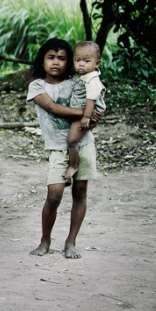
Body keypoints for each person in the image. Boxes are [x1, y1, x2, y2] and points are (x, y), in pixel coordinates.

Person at [27, 38, 100, 260]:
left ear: (69, 62)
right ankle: (45, 240)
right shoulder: (37, 86)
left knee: (79, 193)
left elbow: (93, 102)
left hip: (82, 144)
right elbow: (52, 107)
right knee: (54, 195)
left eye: (61, 58)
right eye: (51, 58)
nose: (56, 62)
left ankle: (71, 242)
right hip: (58, 149)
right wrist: (84, 114)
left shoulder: (77, 83)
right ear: (42, 61)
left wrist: (92, 115)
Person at [64, 41, 107, 180]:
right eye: (77, 60)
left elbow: (91, 100)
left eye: (86, 61)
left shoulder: (92, 80)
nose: (81, 64)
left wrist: (86, 117)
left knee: (71, 141)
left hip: (88, 112)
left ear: (97, 63)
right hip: (82, 110)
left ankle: (73, 165)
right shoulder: (83, 76)